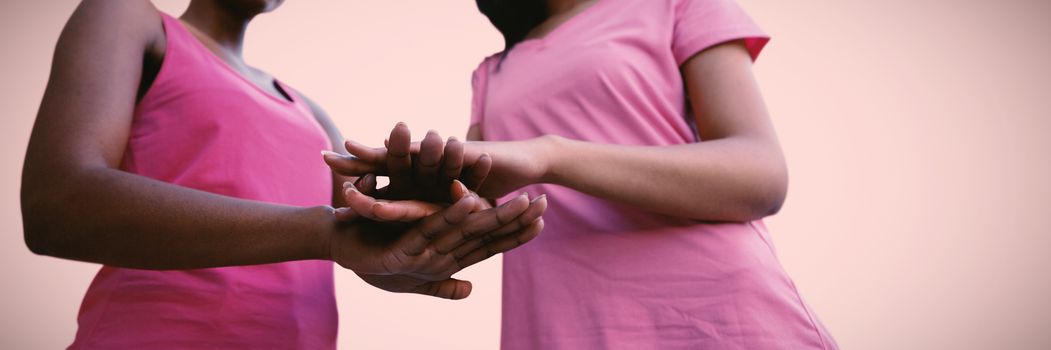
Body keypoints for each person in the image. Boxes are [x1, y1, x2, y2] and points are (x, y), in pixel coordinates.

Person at [20, 0, 546, 348]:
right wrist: (325, 230)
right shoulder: (129, 19)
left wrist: (420, 215)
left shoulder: (309, 112)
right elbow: (58, 204)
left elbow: (357, 236)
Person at [326, 0, 839, 348]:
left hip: (711, 315)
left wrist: (552, 156)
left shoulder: (673, 4)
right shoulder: (492, 71)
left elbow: (759, 175)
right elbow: (481, 199)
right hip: (557, 326)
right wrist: (417, 197)